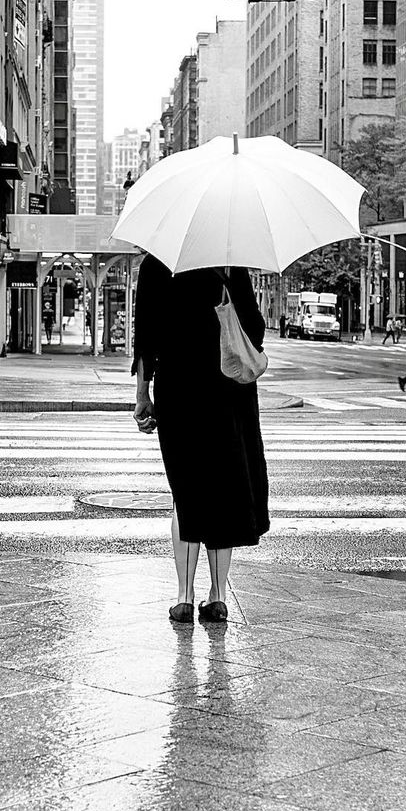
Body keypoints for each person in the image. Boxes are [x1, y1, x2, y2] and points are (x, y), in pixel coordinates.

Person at [132, 254, 270, 624]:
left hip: (180, 389)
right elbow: (254, 328)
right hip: (230, 391)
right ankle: (218, 596)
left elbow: (146, 335)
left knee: (186, 490)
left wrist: (143, 394)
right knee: (224, 488)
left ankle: (184, 596)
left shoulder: (158, 263)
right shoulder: (230, 262)